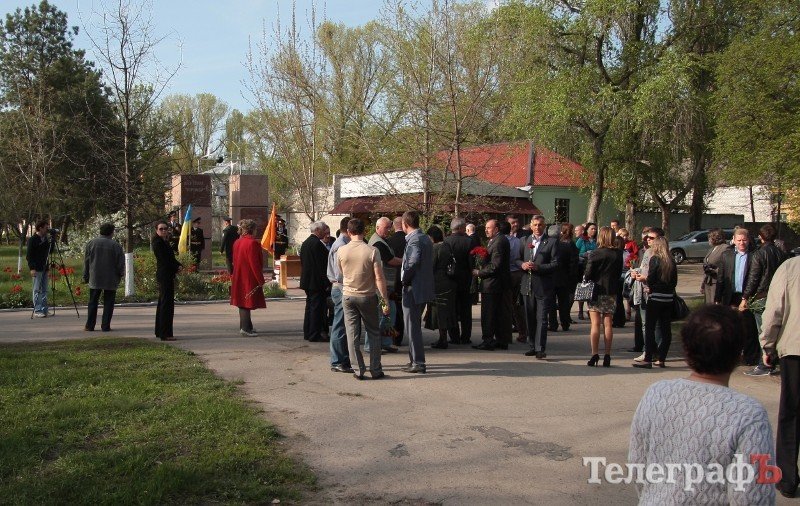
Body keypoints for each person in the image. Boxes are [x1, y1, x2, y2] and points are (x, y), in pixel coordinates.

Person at [629, 304, 775, 504]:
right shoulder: (749, 415)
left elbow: (638, 465)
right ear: (739, 353)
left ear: (687, 349)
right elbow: (753, 495)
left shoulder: (656, 394)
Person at [760, 255, 800, 497]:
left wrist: (768, 344)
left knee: (791, 413)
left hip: (795, 349)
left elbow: (775, 308)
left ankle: (787, 477)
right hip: (794, 347)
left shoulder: (790, 267)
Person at [743, 223, 787, 376]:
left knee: (763, 330)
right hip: (779, 295)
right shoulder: (781, 254)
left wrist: (745, 297)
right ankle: (774, 361)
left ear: (760, 237)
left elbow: (753, 278)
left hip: (762, 296)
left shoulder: (759, 254)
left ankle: (765, 364)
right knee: (777, 329)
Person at [715, 227, 759, 365]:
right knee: (729, 328)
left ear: (749, 240)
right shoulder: (726, 255)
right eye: (739, 240)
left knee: (748, 328)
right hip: (730, 296)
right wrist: (717, 298)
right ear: (733, 240)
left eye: (744, 240)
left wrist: (747, 297)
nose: (742, 243)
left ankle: (750, 358)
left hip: (748, 296)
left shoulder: (754, 255)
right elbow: (721, 278)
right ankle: (730, 356)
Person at [633, 236, 677, 368]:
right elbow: (674, 282)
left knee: (650, 328)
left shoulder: (655, 259)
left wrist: (646, 281)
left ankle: (648, 357)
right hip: (668, 298)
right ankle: (661, 358)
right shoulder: (671, 261)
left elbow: (651, 279)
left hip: (655, 296)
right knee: (666, 329)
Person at [518, 215, 559, 358]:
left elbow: (555, 264)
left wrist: (538, 267)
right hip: (527, 285)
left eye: (540, 225)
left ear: (544, 226)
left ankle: (540, 348)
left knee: (541, 318)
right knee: (529, 317)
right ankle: (532, 346)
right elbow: (517, 259)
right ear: (530, 225)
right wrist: (522, 264)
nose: (537, 227)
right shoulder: (525, 240)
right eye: (535, 225)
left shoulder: (551, 242)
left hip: (543, 285)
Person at [400, 211, 434, 373]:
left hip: (413, 288)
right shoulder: (424, 238)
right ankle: (414, 359)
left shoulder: (415, 240)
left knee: (412, 326)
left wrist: (405, 279)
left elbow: (412, 262)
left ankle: (418, 362)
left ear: (405, 224)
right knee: (412, 325)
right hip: (422, 287)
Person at [583, 226, 623, 367]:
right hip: (611, 290)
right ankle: (607, 354)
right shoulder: (618, 254)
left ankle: (594, 354)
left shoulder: (595, 253)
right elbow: (619, 273)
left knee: (595, 324)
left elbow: (588, 274)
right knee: (608, 324)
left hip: (596, 290)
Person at [473, 219, 512, 351]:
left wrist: (479, 272)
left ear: (496, 229)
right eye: (485, 228)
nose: (486, 230)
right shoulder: (496, 240)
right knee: (497, 314)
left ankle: (488, 340)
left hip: (493, 284)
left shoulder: (499, 241)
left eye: (488, 228)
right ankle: (500, 339)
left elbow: (496, 265)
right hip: (495, 284)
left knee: (489, 314)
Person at [367, 217, 402, 353]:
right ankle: (371, 345)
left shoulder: (382, 241)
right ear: (377, 227)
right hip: (380, 286)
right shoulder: (378, 243)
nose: (389, 230)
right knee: (380, 316)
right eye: (386, 227)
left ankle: (385, 342)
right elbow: (391, 260)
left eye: (389, 227)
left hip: (386, 285)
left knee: (389, 313)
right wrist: (406, 261)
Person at [82, 223, 124, 332]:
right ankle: (105, 326)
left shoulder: (91, 243)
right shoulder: (116, 245)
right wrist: (120, 274)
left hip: (95, 277)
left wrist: (85, 275)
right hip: (110, 278)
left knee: (93, 302)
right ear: (112, 232)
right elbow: (120, 263)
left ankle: (89, 325)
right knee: (109, 302)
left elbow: (86, 262)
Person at [230, 219, 266, 337]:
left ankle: (246, 326)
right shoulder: (253, 243)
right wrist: (260, 279)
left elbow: (234, 261)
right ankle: (245, 328)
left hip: (239, 275)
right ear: (252, 229)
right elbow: (254, 263)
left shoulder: (237, 242)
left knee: (242, 300)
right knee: (246, 301)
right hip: (249, 276)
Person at [327, 217, 353, 373]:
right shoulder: (341, 246)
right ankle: (337, 360)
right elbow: (339, 274)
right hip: (340, 287)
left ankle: (342, 359)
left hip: (341, 287)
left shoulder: (342, 244)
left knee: (343, 324)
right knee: (340, 325)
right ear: (348, 230)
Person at [444, 218, 475, 345]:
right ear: (462, 228)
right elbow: (472, 262)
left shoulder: (446, 241)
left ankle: (454, 336)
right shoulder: (469, 241)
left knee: (452, 309)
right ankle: (466, 336)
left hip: (450, 279)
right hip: (465, 279)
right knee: (466, 310)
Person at [426, 226, 458, 349]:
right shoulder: (446, 245)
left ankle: (442, 339)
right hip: (448, 281)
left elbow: (431, 266)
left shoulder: (435, 248)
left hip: (437, 283)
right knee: (445, 310)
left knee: (439, 311)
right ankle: (444, 337)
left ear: (432, 237)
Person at [300, 221, 332, 342]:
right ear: (317, 230)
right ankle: (314, 334)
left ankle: (308, 332)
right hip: (316, 282)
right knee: (316, 309)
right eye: (323, 230)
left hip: (308, 281)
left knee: (310, 307)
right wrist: (327, 283)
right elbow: (321, 266)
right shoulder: (317, 244)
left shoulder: (306, 243)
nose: (325, 233)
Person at [152, 221, 181, 341]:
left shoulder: (164, 241)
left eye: (165, 229)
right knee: (166, 304)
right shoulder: (158, 242)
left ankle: (161, 331)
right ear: (156, 230)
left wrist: (179, 265)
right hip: (164, 275)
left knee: (164, 302)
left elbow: (171, 258)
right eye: (161, 229)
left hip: (167, 274)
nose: (164, 231)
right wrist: (176, 267)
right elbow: (164, 259)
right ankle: (165, 333)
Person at [549, 223, 579, 332]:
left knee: (551, 303)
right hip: (564, 278)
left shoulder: (548, 246)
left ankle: (553, 324)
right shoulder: (568, 246)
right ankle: (565, 323)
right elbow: (573, 263)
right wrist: (571, 276)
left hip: (552, 278)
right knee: (564, 302)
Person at [26, 220, 54, 318]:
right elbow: (29, 255)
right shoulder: (33, 239)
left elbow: (50, 252)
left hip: (45, 267)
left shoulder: (46, 239)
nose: (47, 229)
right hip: (37, 268)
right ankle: (37, 309)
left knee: (45, 290)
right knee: (37, 289)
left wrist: (53, 241)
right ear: (40, 228)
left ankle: (44, 309)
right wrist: (32, 268)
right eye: (46, 227)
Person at [386, 216, 406, 345]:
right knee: (403, 310)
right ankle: (400, 335)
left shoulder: (389, 241)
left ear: (394, 226)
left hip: (392, 279)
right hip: (406, 278)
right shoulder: (408, 240)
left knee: (394, 310)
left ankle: (394, 337)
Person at [700, 228, 728, 305]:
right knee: (708, 307)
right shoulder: (712, 249)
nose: (708, 240)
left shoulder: (725, 248)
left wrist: (714, 270)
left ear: (716, 237)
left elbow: (727, 267)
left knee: (715, 308)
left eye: (709, 237)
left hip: (716, 283)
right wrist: (702, 284)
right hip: (708, 282)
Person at [576, 222, 597, 320]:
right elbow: (575, 253)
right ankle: (580, 310)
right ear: (587, 230)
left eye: (595, 229)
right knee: (583, 287)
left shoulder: (597, 241)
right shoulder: (581, 240)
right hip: (583, 266)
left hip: (594, 266)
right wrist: (584, 254)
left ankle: (590, 309)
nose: (594, 231)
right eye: (592, 229)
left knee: (592, 288)